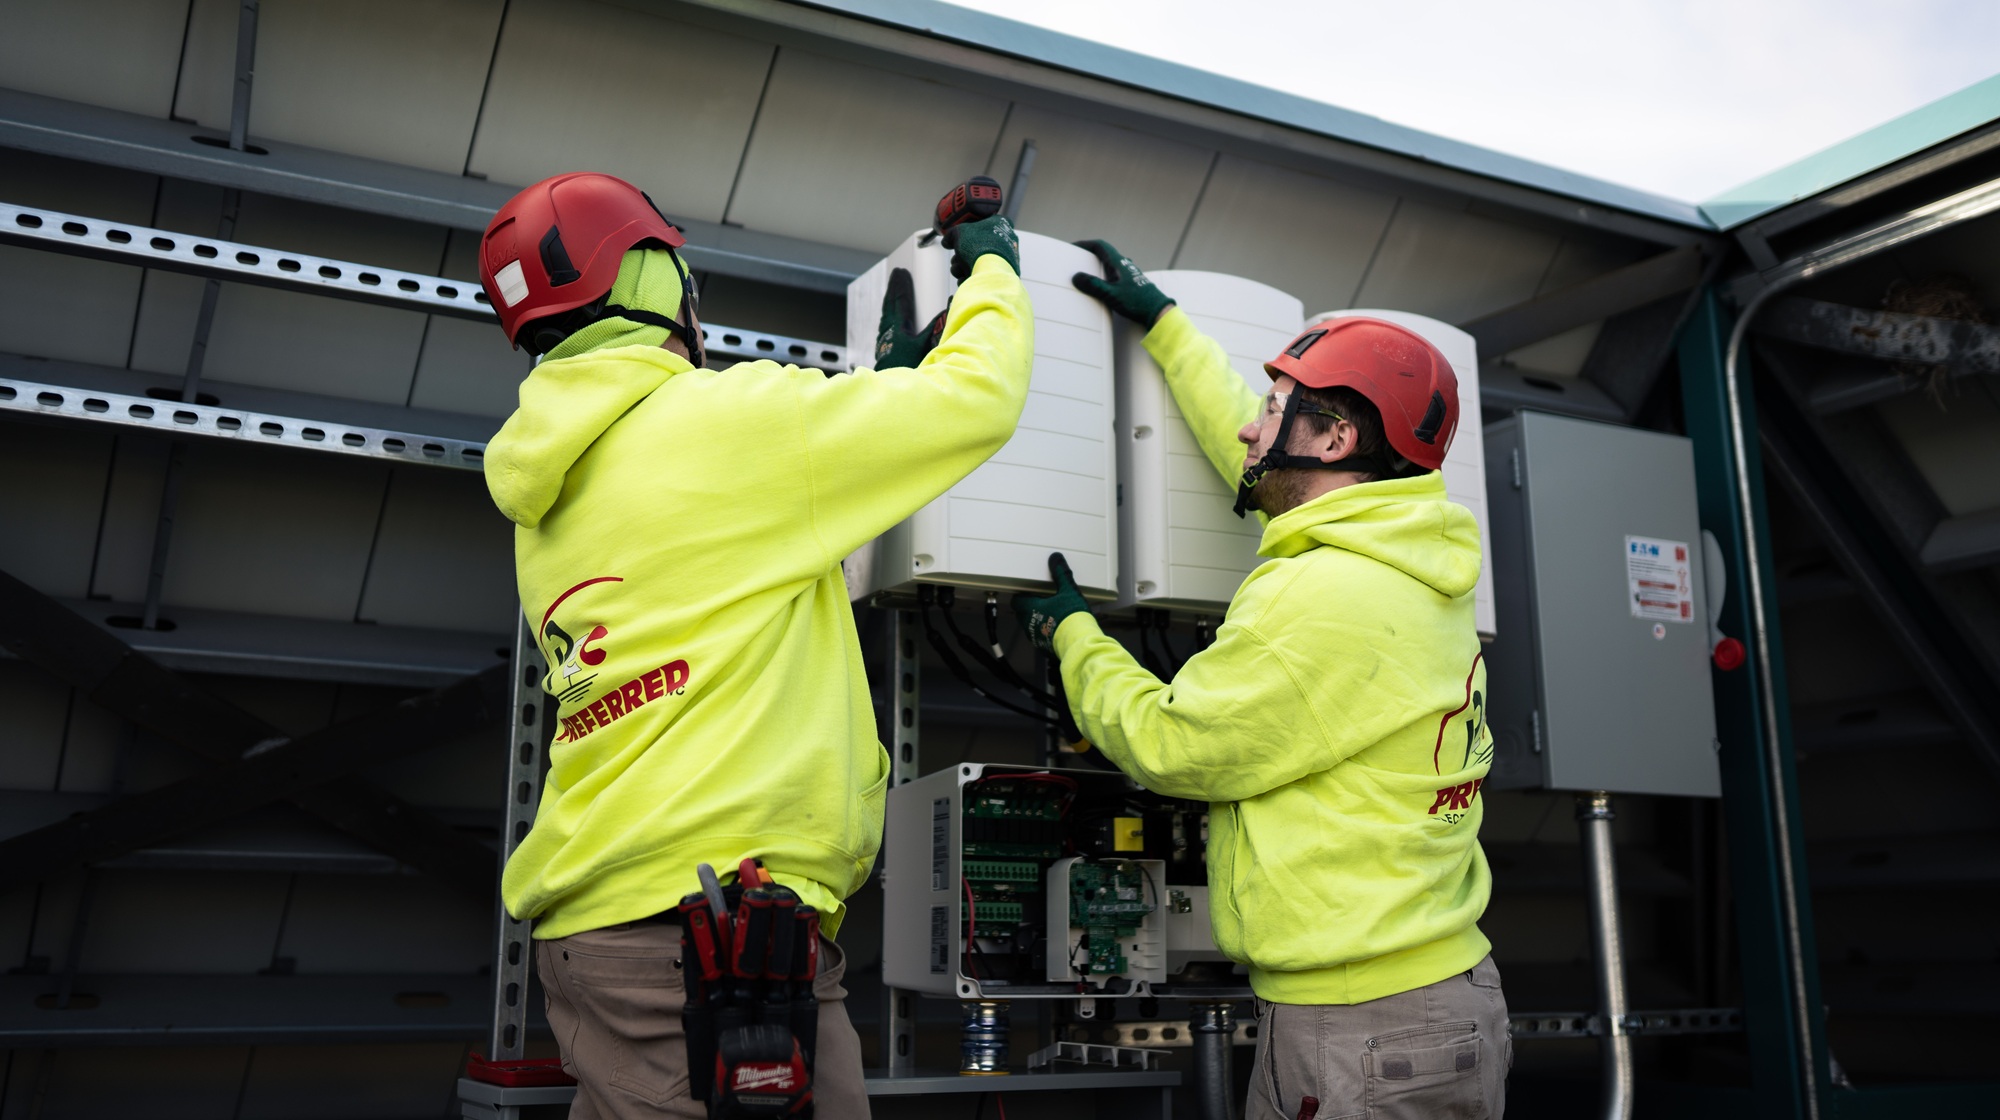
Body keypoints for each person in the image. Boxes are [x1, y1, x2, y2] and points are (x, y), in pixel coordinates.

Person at [477, 171, 1031, 1119]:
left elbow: (740, 555)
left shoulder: (547, 488)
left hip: (599, 933)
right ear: (657, 281)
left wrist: (877, 397)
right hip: (708, 949)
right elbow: (977, 397)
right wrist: (994, 276)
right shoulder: (727, 418)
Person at [1016, 241, 1509, 1120]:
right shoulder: (1404, 552)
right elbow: (1254, 454)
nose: (1251, 426)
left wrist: (1074, 638)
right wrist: (1167, 329)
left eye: (1273, 408)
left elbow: (1172, 744)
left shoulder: (1322, 594)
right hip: (1430, 995)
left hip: (1363, 1027)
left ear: (1336, 439)